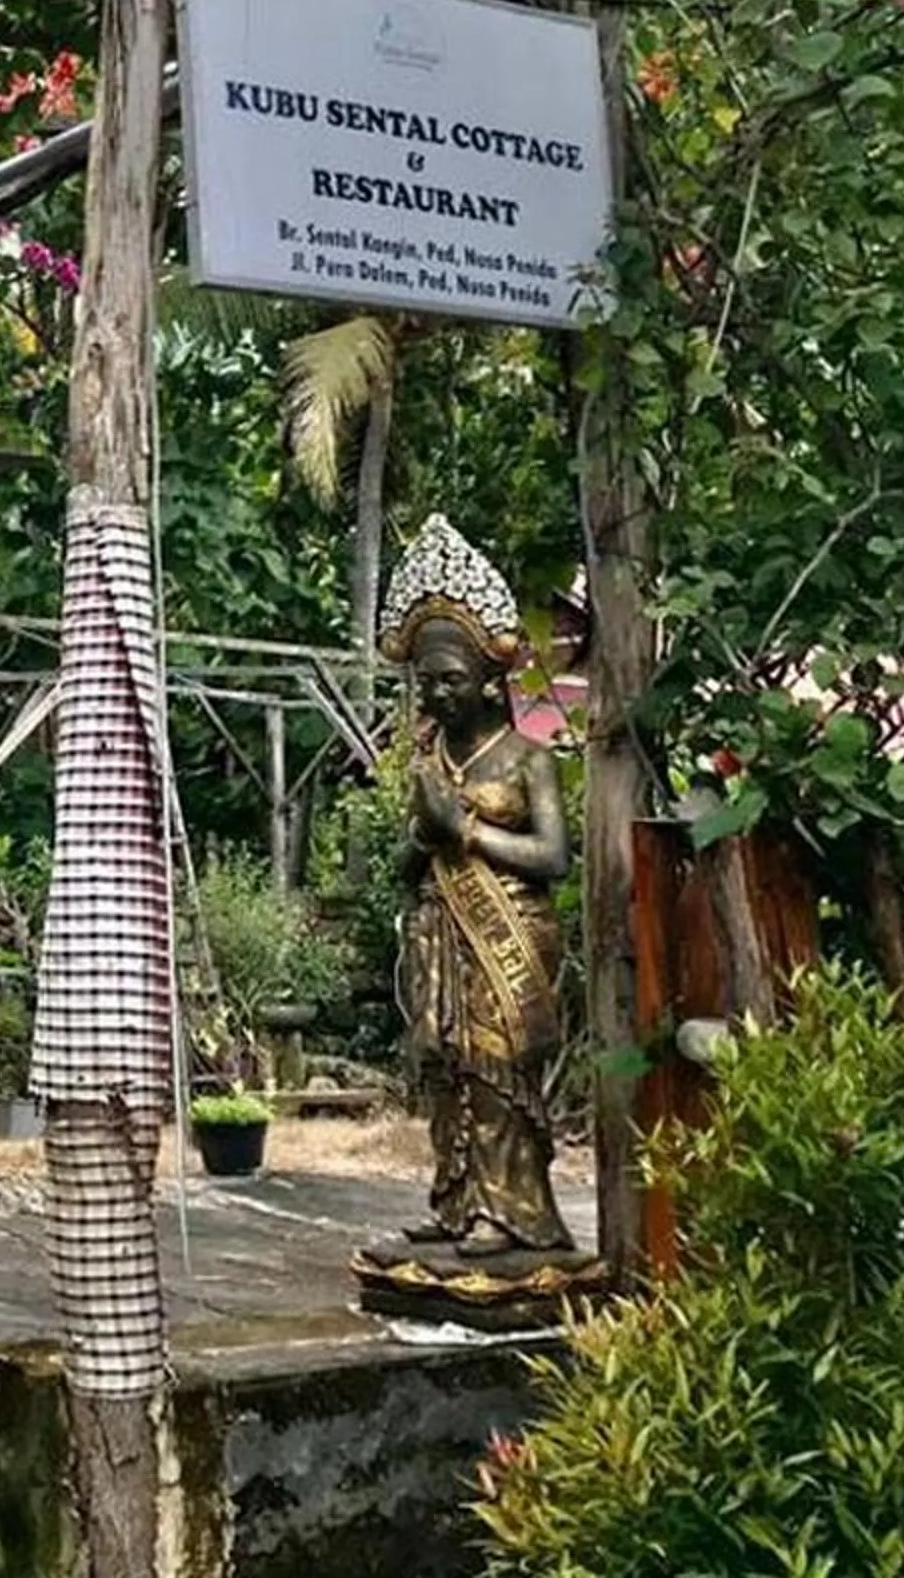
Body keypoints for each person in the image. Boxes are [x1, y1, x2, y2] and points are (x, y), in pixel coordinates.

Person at [382, 516, 576, 1259]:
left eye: (451, 680)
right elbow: (414, 860)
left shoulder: (528, 758)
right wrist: (425, 838)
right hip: (441, 928)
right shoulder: (429, 761)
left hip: (511, 933)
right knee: (446, 1063)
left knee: (497, 1069)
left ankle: (512, 1211)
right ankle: (457, 1200)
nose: (436, 694)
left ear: (490, 679)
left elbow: (553, 856)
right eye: (426, 681)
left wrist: (466, 834)